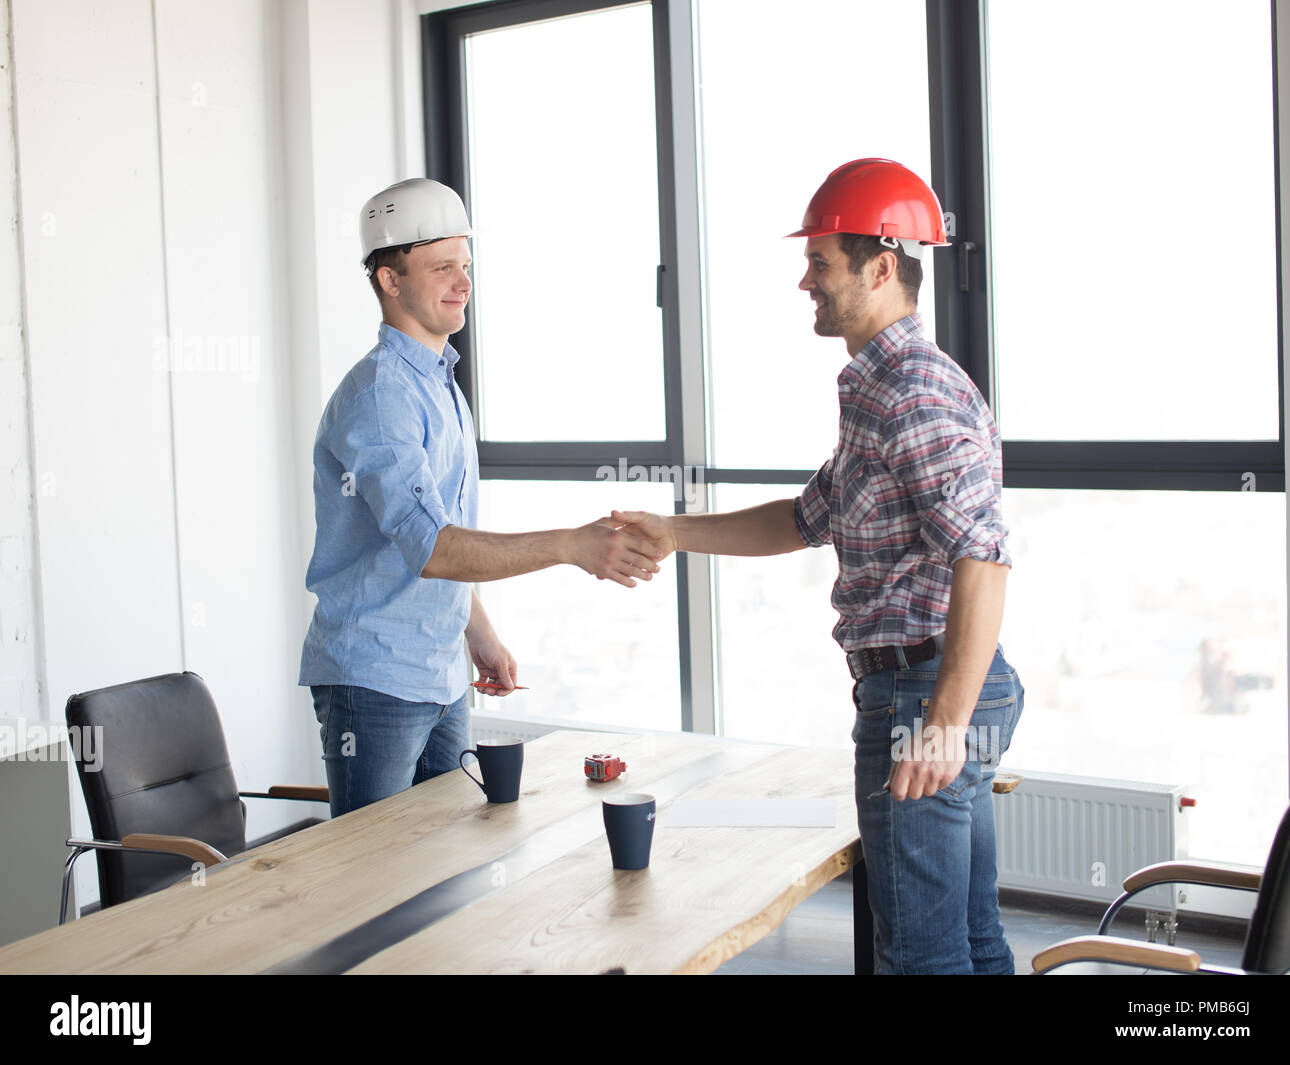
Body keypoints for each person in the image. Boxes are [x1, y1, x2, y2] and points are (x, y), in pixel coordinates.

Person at [615, 159, 1024, 974]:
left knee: (922, 956)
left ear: (881, 266)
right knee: (970, 941)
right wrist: (671, 530)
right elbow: (809, 519)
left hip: (922, 692)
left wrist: (942, 721)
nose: (805, 280)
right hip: (930, 684)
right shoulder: (879, 389)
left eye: (820, 262)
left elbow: (984, 554)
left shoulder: (911, 392)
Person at [299, 177, 661, 818]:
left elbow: (444, 533)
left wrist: (480, 634)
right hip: (375, 681)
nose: (463, 283)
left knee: (447, 861)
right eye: (442, 268)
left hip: (439, 675)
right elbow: (433, 548)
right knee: (370, 878)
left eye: (465, 266)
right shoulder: (382, 396)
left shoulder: (441, 384)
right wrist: (571, 546)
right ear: (389, 279)